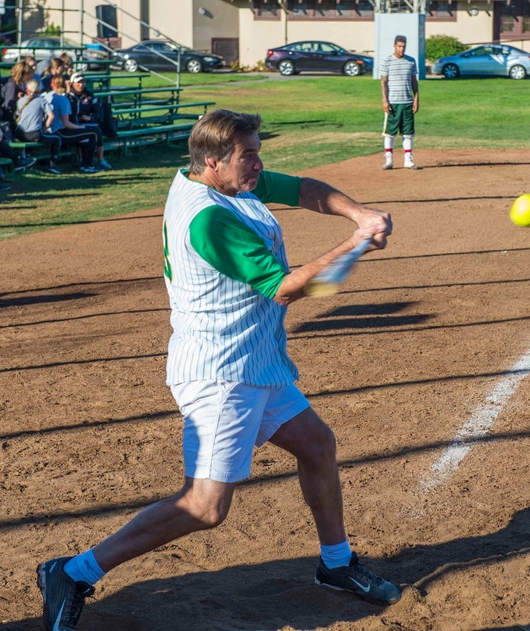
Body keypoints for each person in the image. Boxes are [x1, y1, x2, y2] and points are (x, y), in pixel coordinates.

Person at [35, 109, 401, 630]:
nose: (258, 165)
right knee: (205, 507)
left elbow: (301, 189)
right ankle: (72, 572)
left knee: (317, 445)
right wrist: (357, 241)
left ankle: (336, 565)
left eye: (257, 153)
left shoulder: (222, 178)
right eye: (248, 156)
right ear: (213, 162)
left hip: (256, 358)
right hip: (220, 371)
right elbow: (284, 287)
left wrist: (358, 212)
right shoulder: (208, 217)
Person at [379, 34, 419, 170]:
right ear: (394, 46)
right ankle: (389, 160)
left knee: (408, 133)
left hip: (407, 102)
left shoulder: (411, 61)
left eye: (403, 46)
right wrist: (385, 100)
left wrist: (416, 99)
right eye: (399, 46)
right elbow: (383, 82)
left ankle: (408, 160)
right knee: (390, 133)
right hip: (393, 103)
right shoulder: (387, 61)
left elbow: (414, 81)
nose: (401, 49)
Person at [45, 75, 99, 173]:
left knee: (86, 134)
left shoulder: (47, 96)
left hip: (48, 130)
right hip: (59, 131)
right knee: (92, 134)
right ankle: (86, 164)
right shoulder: (63, 100)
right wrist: (81, 126)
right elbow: (66, 123)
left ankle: (83, 162)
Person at [14, 79, 62, 174]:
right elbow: (51, 116)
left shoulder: (20, 101)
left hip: (19, 133)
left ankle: (27, 156)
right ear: (39, 90)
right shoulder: (41, 101)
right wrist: (44, 129)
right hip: (33, 134)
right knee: (57, 139)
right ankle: (53, 165)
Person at [67, 72, 112, 169]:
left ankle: (100, 159)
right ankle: (83, 160)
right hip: (72, 124)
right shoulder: (68, 96)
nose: (81, 85)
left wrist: (90, 118)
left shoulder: (89, 95)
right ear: (72, 84)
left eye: (83, 82)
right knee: (91, 133)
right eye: (78, 82)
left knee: (97, 131)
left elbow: (97, 113)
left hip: (87, 123)